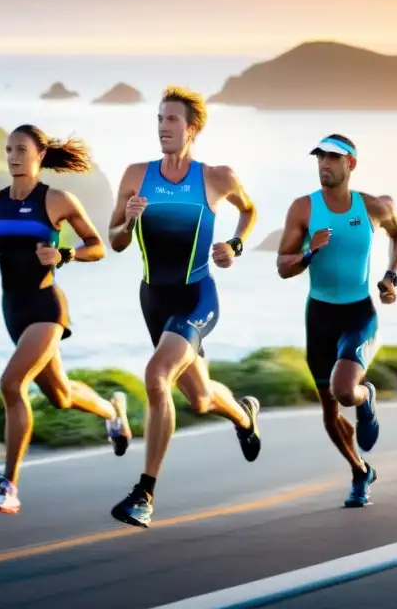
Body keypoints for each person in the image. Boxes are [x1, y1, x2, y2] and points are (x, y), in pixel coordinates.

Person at [107, 87, 263, 529]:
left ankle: (145, 493)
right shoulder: (136, 175)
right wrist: (130, 219)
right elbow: (116, 241)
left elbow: (249, 212)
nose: (162, 127)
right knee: (198, 397)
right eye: (159, 119)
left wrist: (234, 244)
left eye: (171, 120)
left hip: (197, 297)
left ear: (192, 128)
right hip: (153, 299)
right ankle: (244, 415)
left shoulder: (216, 177)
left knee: (157, 377)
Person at [0, 124, 132, 515]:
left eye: (21, 149)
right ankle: (113, 412)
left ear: (40, 156)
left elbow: (96, 247)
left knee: (11, 384)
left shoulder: (57, 199)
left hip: (47, 308)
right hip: (13, 310)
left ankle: (8, 485)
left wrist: (65, 256)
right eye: (9, 149)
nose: (13, 157)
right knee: (60, 396)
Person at [276, 134, 397, 507]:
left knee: (345, 390)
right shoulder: (303, 209)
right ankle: (360, 471)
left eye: (333, 158)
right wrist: (308, 253)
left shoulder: (371, 207)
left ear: (351, 164)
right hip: (318, 317)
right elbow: (283, 267)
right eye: (320, 158)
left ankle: (366, 400)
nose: (324, 165)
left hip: (358, 314)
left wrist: (391, 276)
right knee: (330, 412)